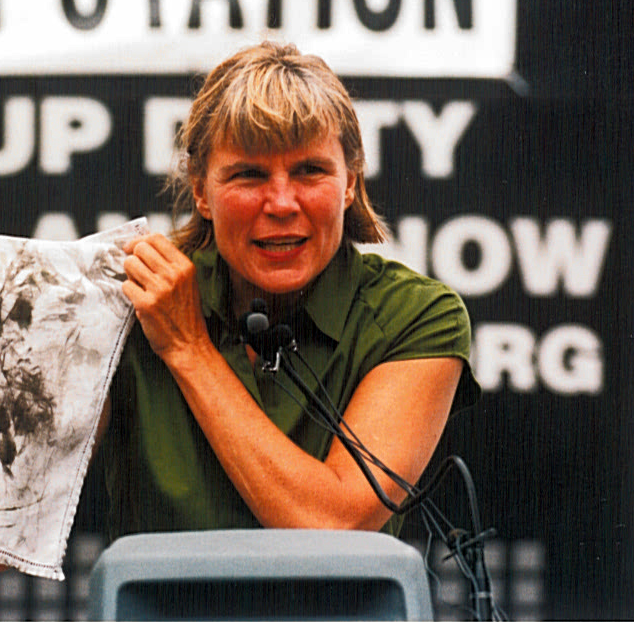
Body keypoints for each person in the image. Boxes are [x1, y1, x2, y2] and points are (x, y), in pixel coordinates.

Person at [102, 40, 479, 539]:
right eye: (249, 175)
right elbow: (1, 533)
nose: (281, 203)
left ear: (350, 181)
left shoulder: (419, 314)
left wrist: (187, 347)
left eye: (309, 171)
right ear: (201, 190)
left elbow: (333, 525)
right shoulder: (130, 301)